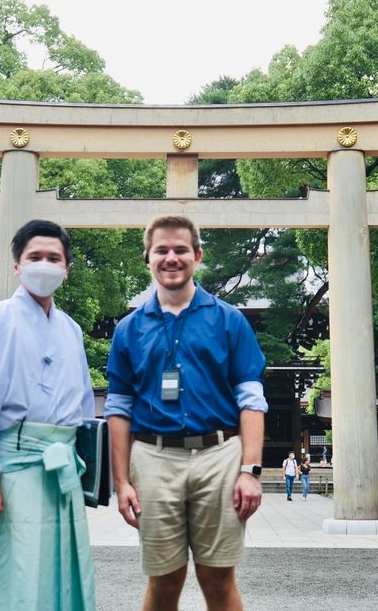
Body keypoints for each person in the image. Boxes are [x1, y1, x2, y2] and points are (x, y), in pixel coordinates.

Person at [105, 214, 267, 611]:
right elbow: (119, 408)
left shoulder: (229, 320)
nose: (171, 258)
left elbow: (251, 399)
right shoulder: (128, 329)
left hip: (219, 455)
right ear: (148, 259)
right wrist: (121, 481)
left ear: (197, 256)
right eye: (162, 250)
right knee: (163, 579)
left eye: (180, 250)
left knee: (218, 577)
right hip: (154, 456)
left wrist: (251, 471)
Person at [0, 219, 96, 611]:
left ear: (67, 269)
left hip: (60, 470)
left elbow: (81, 405)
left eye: (53, 258)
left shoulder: (71, 330)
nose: (45, 264)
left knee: (63, 572)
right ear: (17, 265)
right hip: (11, 468)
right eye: (35, 257)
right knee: (12, 572)